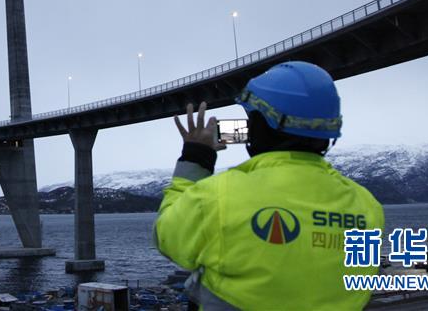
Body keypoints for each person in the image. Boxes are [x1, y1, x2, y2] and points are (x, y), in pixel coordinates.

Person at [154, 61, 384, 310]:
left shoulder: (220, 195)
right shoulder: (367, 206)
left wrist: (196, 158)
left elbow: (167, 237)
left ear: (259, 125)